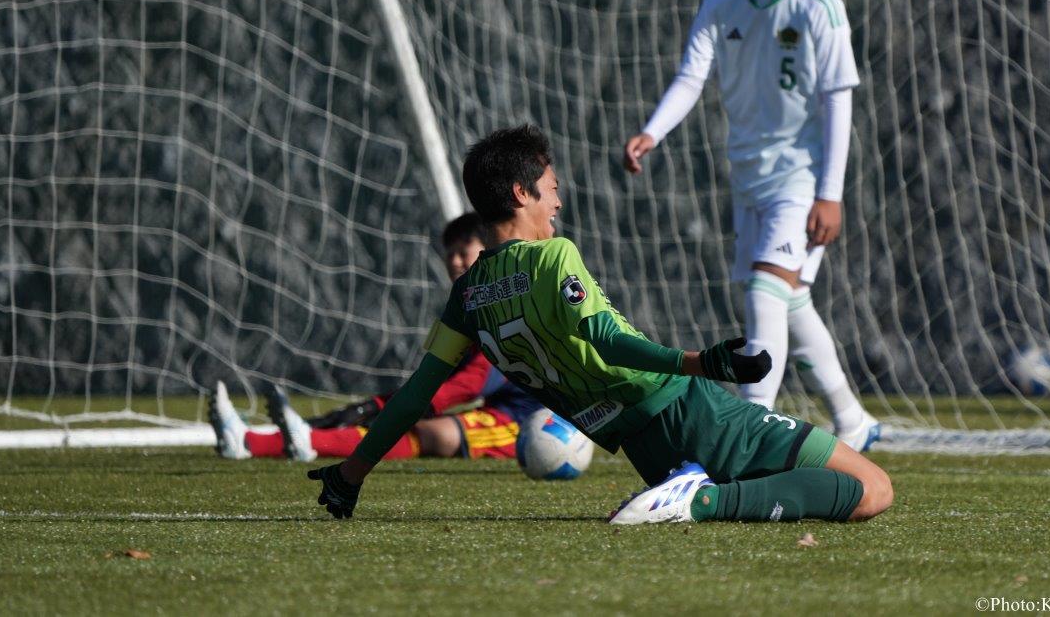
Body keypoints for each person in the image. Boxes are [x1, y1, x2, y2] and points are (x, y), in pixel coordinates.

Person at [306, 125, 893, 525]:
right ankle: (698, 501)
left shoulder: (468, 294)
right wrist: (704, 362)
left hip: (641, 445)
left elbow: (414, 395)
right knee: (873, 489)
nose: (557, 203)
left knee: (823, 486)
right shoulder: (552, 257)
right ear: (521, 193)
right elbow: (607, 340)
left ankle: (693, 492)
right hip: (688, 409)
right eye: (552, 190)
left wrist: (352, 474)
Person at [622, 0, 879, 451]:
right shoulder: (720, 3)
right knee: (791, 301)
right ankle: (853, 419)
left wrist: (830, 193)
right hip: (748, 178)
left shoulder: (819, 5)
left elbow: (838, 100)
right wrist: (652, 131)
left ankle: (752, 426)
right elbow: (692, 77)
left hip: (803, 176)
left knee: (765, 289)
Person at [209, 213, 539, 463]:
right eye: (448, 254)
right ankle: (249, 440)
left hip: (528, 421)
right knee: (406, 424)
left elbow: (469, 383)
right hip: (498, 408)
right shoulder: (467, 305)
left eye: (463, 251)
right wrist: (375, 405)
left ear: (487, 251)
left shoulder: (505, 303)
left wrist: (388, 407)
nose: (454, 261)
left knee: (430, 433)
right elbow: (436, 378)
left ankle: (299, 440)